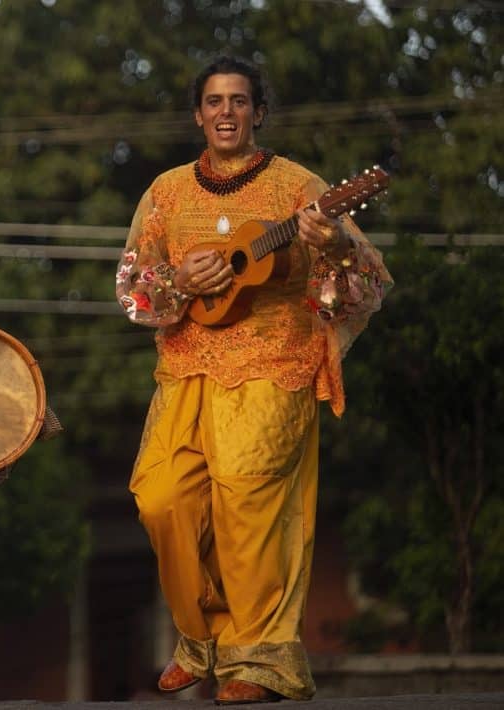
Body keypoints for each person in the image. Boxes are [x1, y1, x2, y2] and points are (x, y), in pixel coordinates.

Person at [115, 56, 392, 704]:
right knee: (160, 500)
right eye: (214, 101)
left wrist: (334, 245)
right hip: (185, 369)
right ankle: (202, 641)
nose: (226, 113)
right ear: (198, 114)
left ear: (259, 112)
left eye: (239, 101)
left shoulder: (301, 188)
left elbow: (364, 284)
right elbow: (133, 290)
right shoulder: (165, 192)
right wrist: (178, 283)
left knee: (248, 506)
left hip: (272, 367)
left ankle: (260, 659)